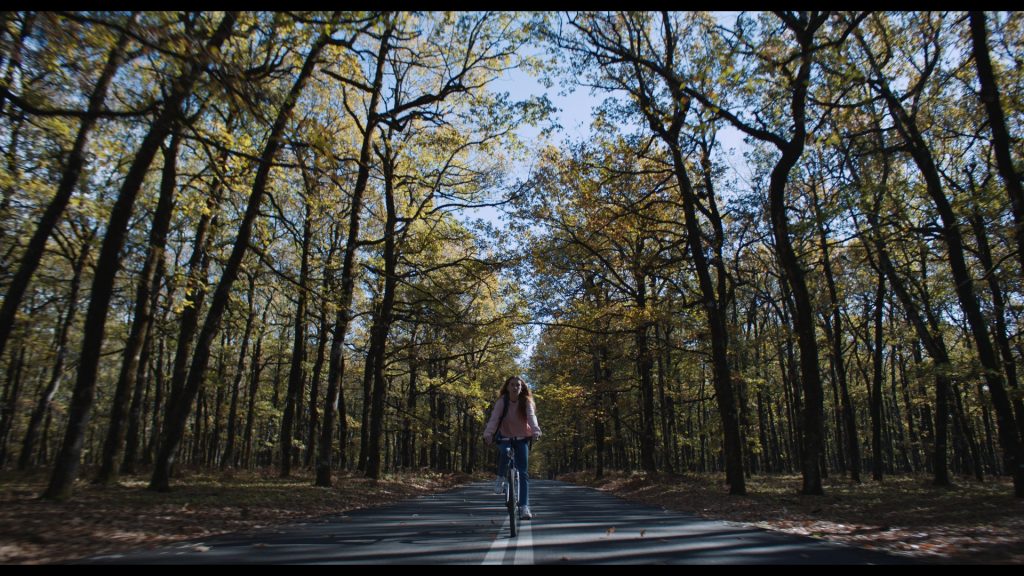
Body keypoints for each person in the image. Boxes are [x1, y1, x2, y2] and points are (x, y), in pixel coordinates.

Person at [483, 375, 541, 520]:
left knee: (523, 473)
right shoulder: (502, 402)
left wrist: (535, 430)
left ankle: (524, 507)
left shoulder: (526, 402)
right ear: (507, 387)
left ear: (522, 388)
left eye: (518, 385)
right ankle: (501, 478)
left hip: (522, 439)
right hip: (505, 437)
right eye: (512, 385)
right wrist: (488, 433)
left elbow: (531, 416)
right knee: (505, 452)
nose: (515, 387)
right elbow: (494, 418)